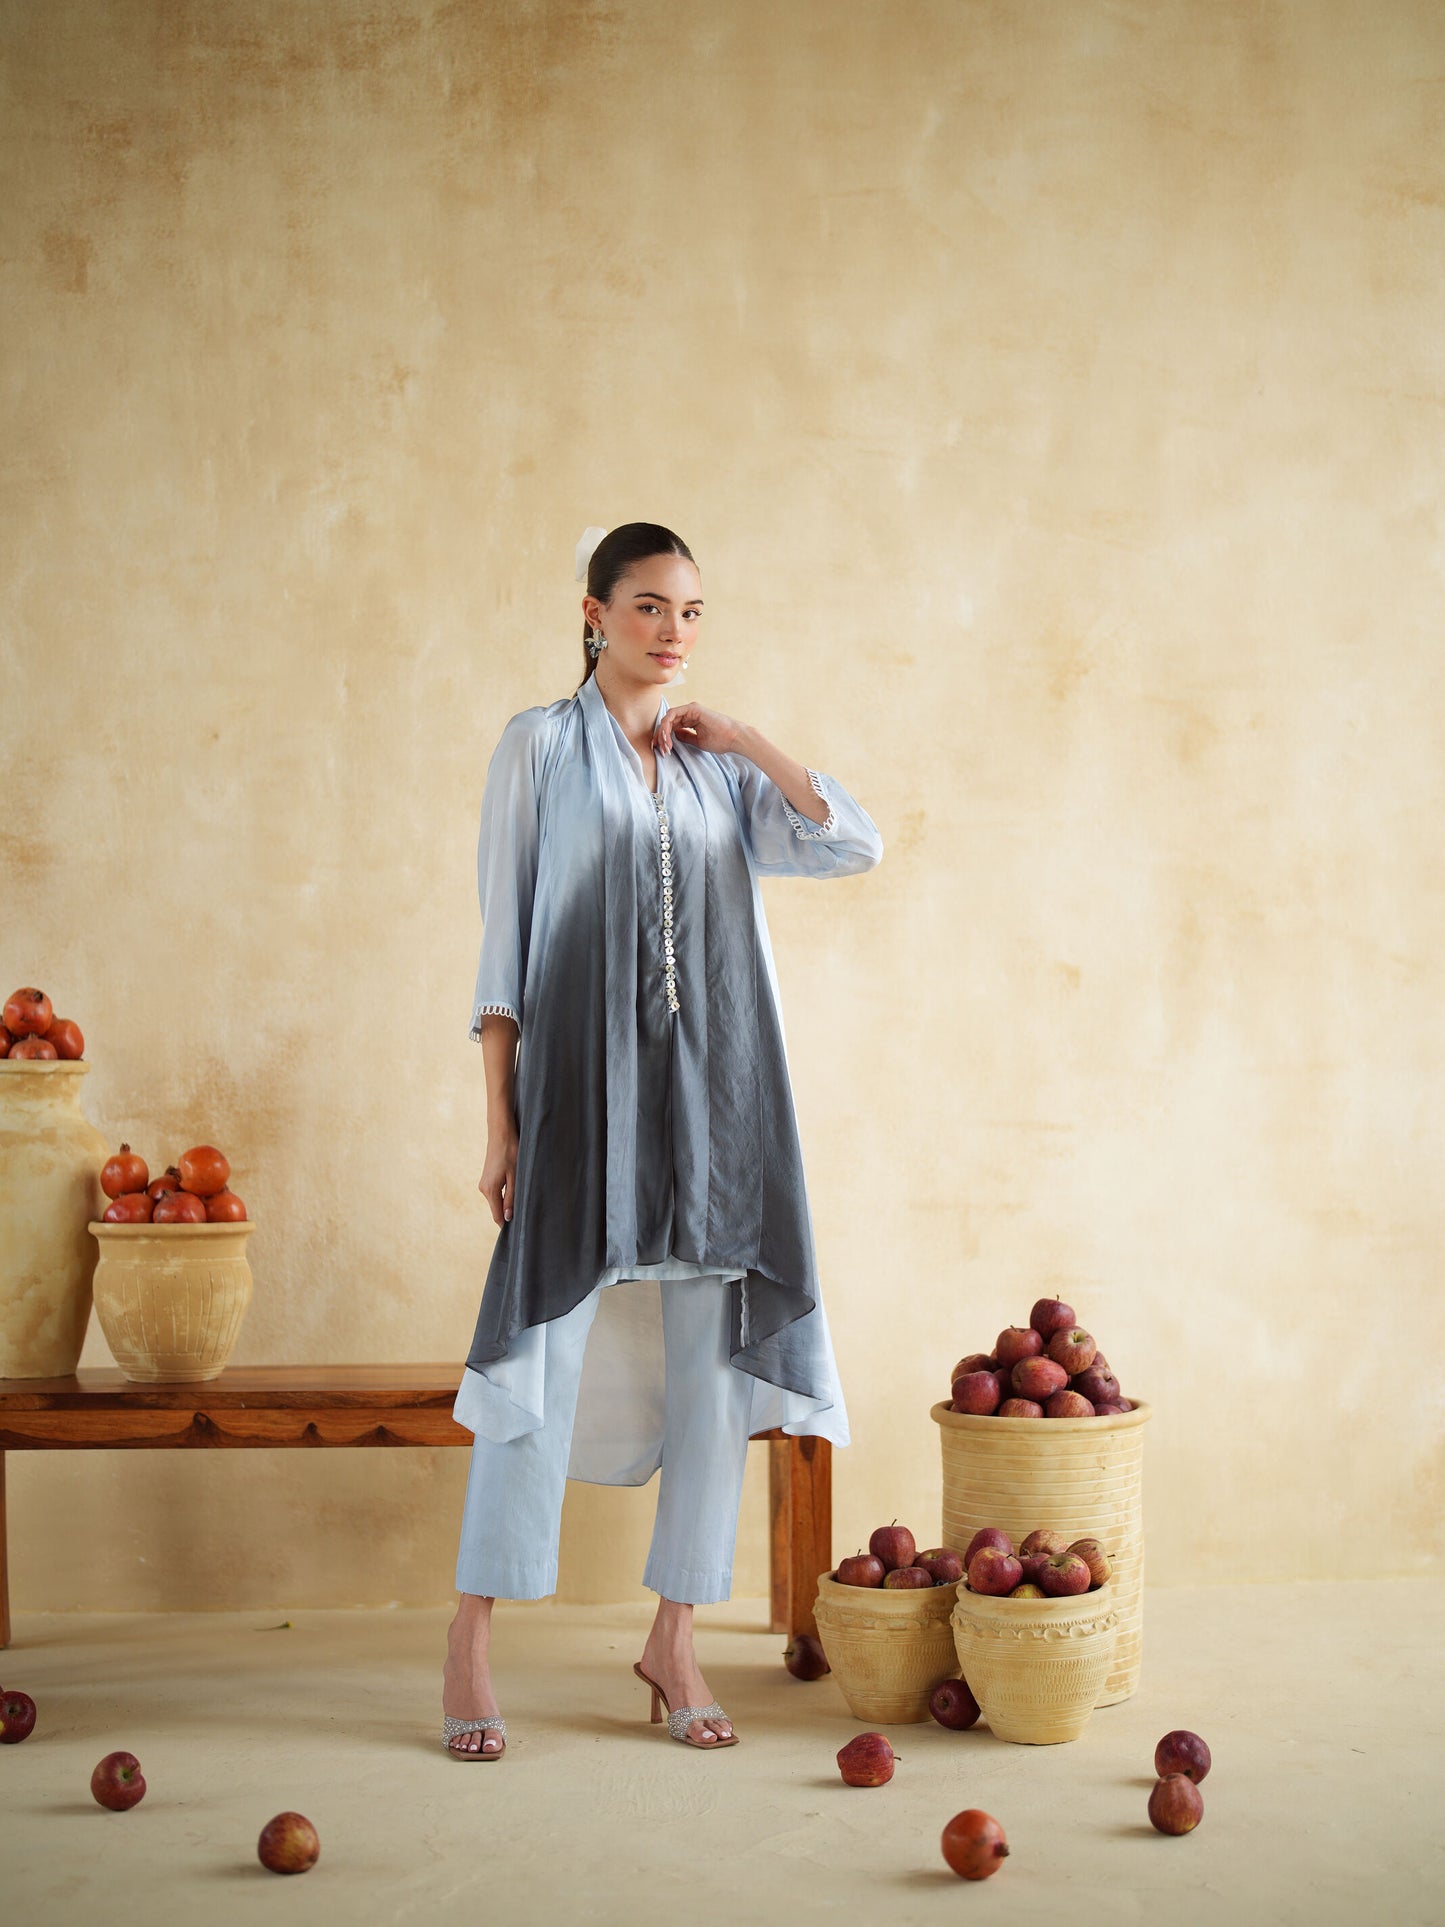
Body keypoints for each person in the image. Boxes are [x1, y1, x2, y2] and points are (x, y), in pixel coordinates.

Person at [441, 522, 883, 1758]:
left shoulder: (715, 772)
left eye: (690, 611)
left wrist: (743, 738)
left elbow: (851, 840)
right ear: (593, 614)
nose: (671, 632)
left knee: (712, 1369)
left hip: (720, 1105)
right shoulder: (539, 747)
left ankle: (673, 1636)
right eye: (647, 606)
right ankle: (470, 1639)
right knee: (537, 1352)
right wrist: (499, 1122)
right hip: (580, 1102)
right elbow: (502, 948)